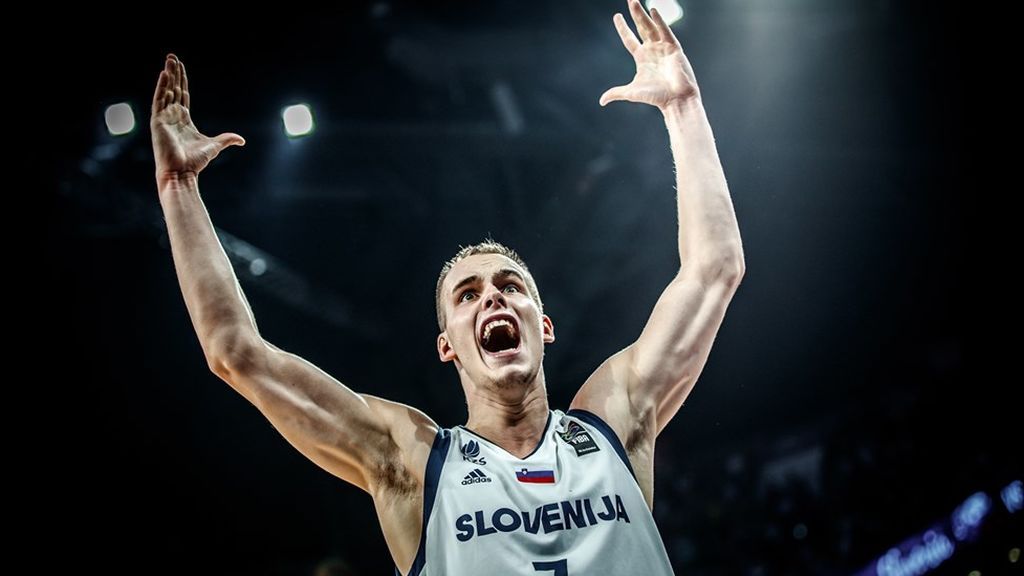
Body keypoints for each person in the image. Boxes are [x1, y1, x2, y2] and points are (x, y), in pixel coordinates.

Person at [149, 1, 744, 574]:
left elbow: (715, 268)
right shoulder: (411, 460)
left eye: (512, 286)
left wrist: (685, 107)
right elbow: (235, 351)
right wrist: (178, 186)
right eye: (468, 294)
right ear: (447, 346)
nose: (493, 296)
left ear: (544, 325)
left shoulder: (614, 420)